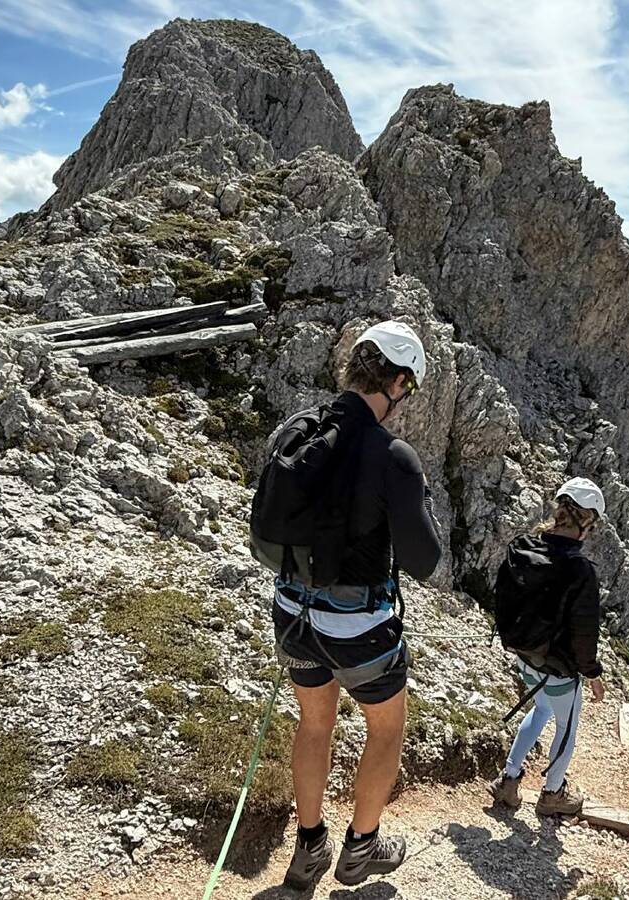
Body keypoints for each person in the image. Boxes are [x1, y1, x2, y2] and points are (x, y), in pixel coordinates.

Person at [268, 321, 443, 889]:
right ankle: (362, 848)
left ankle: (310, 847)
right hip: (359, 628)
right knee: (386, 728)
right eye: (408, 388)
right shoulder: (394, 456)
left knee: (314, 723)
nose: (405, 400)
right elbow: (424, 560)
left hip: (292, 612)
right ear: (394, 382)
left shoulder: (301, 428)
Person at [488, 477, 607, 817]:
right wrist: (592, 673)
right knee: (566, 727)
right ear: (587, 522)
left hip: (524, 657)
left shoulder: (523, 546)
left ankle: (508, 781)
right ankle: (552, 793)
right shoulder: (580, 570)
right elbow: (584, 633)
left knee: (540, 711)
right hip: (557, 669)